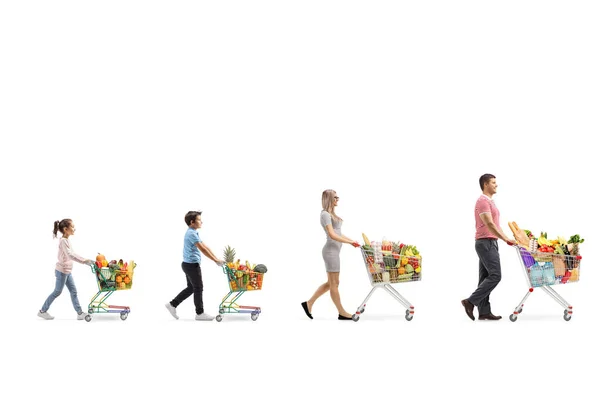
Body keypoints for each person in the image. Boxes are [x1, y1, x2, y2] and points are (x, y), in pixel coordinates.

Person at [301, 190, 361, 320]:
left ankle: (308, 303)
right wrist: (350, 242)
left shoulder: (331, 214)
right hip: (330, 252)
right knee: (334, 284)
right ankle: (342, 312)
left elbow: (338, 233)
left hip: (334, 251)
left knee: (332, 283)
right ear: (329, 199)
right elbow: (332, 235)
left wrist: (352, 242)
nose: (337, 199)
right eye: (335, 197)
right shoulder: (325, 215)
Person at [461, 174, 514, 321]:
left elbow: (496, 225)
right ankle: (470, 302)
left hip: (490, 242)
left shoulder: (490, 202)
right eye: (493, 182)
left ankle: (484, 311)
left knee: (485, 277)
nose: (496, 185)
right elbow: (490, 224)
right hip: (485, 243)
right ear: (485, 184)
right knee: (496, 275)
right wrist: (505, 239)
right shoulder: (482, 201)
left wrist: (507, 238)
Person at [165, 211, 224, 321]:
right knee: (198, 288)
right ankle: (199, 313)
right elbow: (203, 250)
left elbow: (205, 246)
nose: (201, 222)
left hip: (188, 265)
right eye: (199, 220)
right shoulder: (191, 234)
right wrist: (215, 260)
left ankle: (172, 304)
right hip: (191, 266)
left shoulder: (193, 232)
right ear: (192, 222)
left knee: (192, 288)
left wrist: (217, 259)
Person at [38, 219, 94, 320]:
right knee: (57, 292)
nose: (74, 228)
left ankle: (79, 313)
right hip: (62, 272)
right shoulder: (63, 241)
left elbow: (72, 254)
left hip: (67, 272)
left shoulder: (67, 240)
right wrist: (84, 261)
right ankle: (42, 311)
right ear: (65, 229)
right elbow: (70, 255)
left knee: (73, 291)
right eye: (72, 227)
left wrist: (85, 260)